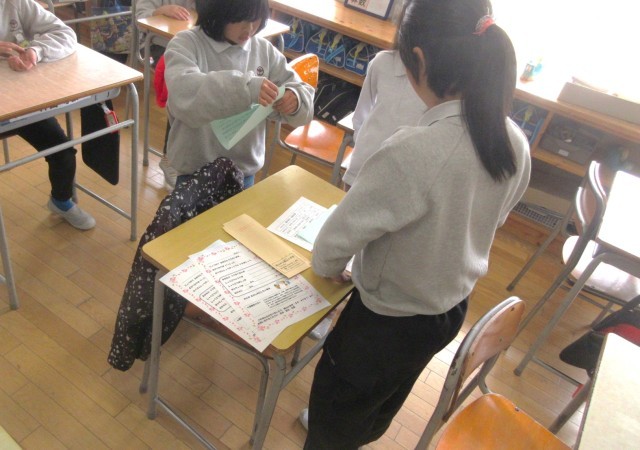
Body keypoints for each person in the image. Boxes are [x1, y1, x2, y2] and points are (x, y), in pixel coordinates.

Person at [303, 0, 531, 448]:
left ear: (420, 60)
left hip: (384, 322)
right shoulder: (514, 142)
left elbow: (335, 240)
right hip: (447, 309)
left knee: (336, 412)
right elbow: (493, 215)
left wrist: (327, 266)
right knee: (384, 397)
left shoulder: (414, 150)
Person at [163, 0, 314, 189]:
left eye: (255, 19)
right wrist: (247, 89)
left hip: (244, 172)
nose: (249, 28)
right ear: (217, 13)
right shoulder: (186, 43)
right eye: (240, 19)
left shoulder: (264, 50)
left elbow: (301, 90)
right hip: (194, 172)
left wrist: (295, 99)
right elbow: (185, 93)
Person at [0, 0, 96, 230]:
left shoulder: (16, 3)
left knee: (62, 151)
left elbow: (65, 34)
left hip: (21, 103)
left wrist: (36, 50)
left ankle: (61, 201)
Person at [341, 49, 427, 190]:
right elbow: (361, 114)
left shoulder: (440, 79)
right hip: (364, 161)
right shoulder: (383, 61)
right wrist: (362, 144)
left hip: (404, 173)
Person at [135, 0, 196, 191]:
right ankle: (169, 156)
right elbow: (140, 17)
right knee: (185, 87)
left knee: (204, 85)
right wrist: (161, 10)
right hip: (158, 44)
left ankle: (196, 155)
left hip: (193, 45)